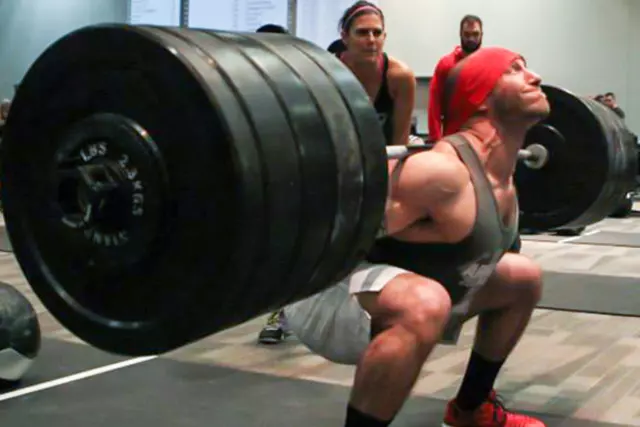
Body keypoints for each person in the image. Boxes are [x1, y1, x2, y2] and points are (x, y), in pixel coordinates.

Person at [285, 47, 548, 427]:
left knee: (522, 277)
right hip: (319, 293)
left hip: (402, 286)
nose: (534, 77)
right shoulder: (440, 173)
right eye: (515, 69)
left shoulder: (503, 177)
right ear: (480, 97)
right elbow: (319, 233)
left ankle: (470, 410)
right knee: (426, 301)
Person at [336, 1, 416, 147]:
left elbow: (400, 143)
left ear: (384, 37)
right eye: (362, 32)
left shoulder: (400, 77)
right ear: (345, 37)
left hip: (385, 153)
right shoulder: (327, 73)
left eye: (377, 33)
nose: (371, 40)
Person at [428, 14, 484, 141]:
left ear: (481, 35)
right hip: (453, 136)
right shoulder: (446, 64)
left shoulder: (489, 64)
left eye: (475, 34)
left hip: (481, 137)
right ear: (460, 34)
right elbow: (434, 104)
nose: (471, 39)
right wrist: (435, 139)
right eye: (467, 34)